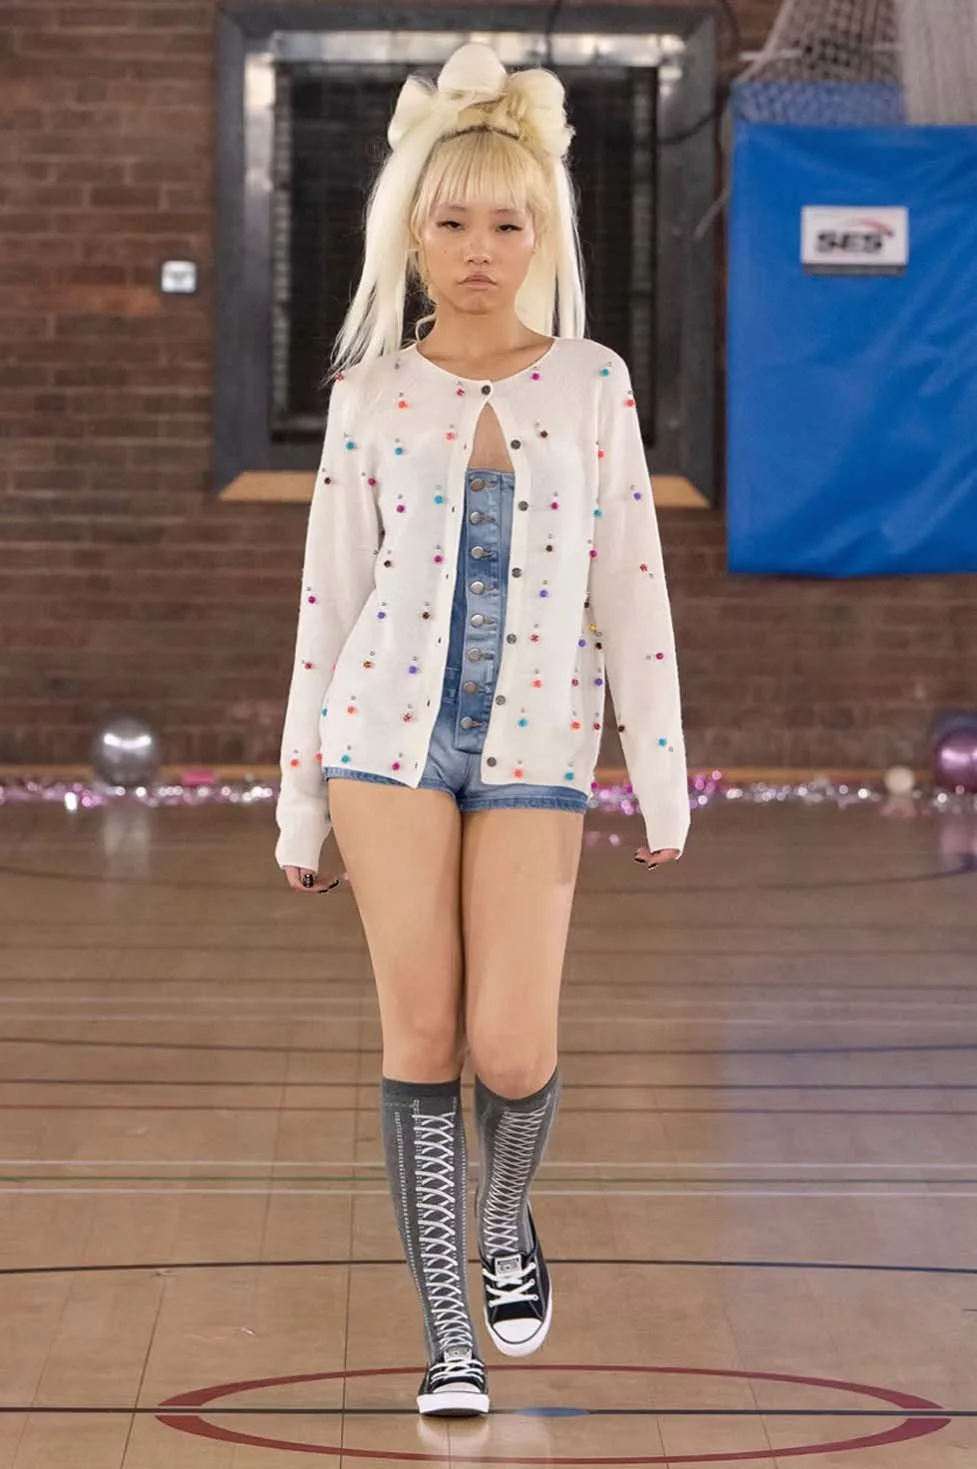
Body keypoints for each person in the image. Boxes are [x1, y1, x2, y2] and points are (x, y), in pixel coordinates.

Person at [274, 40, 690, 1418]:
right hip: (382, 742)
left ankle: (507, 1219)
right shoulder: (370, 396)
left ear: (543, 236)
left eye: (507, 225)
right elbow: (330, 601)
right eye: (452, 223)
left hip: (537, 749)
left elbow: (633, 584)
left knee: (511, 1047)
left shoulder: (592, 383)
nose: (479, 250)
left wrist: (660, 773)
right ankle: (448, 1333)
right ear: (413, 233)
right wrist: (300, 804)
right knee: (422, 1030)